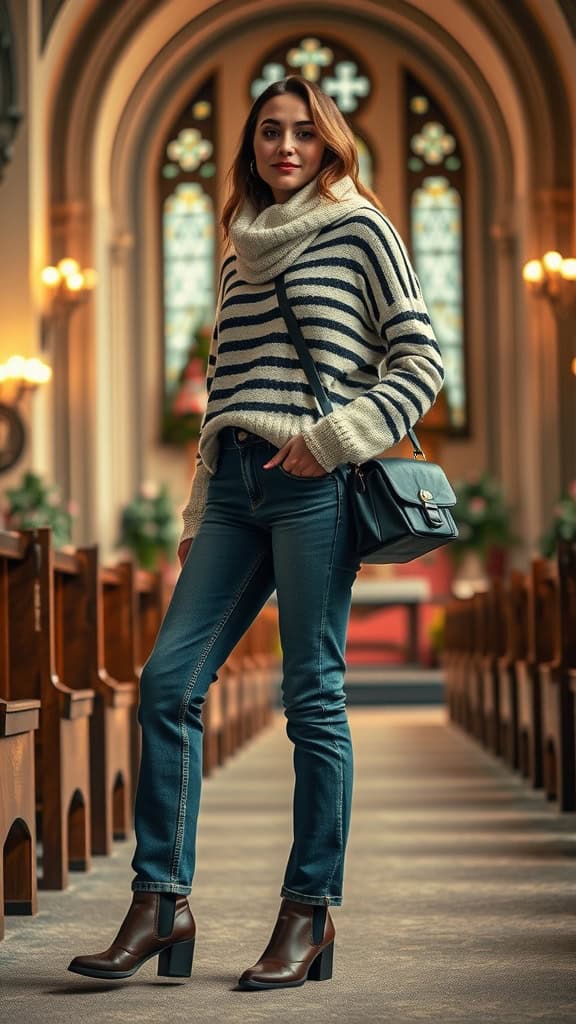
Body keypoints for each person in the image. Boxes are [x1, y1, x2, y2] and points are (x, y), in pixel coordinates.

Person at [68, 75, 444, 990]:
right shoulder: (237, 248)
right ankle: (162, 902)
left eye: (303, 135)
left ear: (328, 146)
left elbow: (421, 357)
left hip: (314, 485)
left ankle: (308, 912)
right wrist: (198, 514)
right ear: (251, 144)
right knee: (167, 683)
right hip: (234, 485)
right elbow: (219, 391)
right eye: (270, 132)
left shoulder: (362, 229)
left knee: (311, 696)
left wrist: (333, 439)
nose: (286, 147)